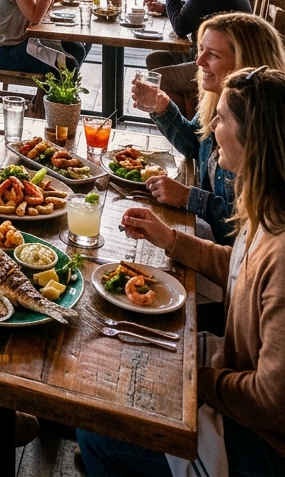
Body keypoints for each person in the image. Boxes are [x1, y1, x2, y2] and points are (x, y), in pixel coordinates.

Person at [77, 67, 285, 477]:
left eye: (222, 118)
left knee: (97, 429)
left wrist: (194, 379)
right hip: (234, 376)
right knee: (122, 358)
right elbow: (240, 268)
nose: (210, 126)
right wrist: (168, 239)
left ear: (254, 139)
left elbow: (271, 399)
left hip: (264, 447)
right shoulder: (269, 211)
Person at [132, 12, 285, 245]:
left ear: (245, 65)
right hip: (208, 238)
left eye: (212, 54)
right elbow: (193, 144)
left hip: (227, 259)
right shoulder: (218, 104)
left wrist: (189, 197)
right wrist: (162, 107)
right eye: (200, 49)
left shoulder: (262, 133)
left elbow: (244, 227)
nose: (199, 61)